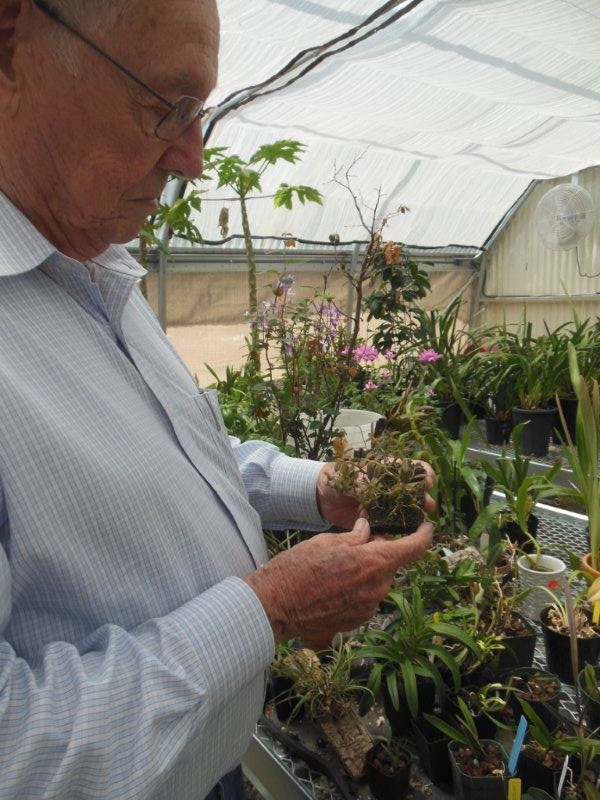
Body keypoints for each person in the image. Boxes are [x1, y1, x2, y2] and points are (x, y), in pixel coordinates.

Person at [0, 0, 435, 798]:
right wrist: (267, 610)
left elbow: (178, 455)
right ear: (11, 46)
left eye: (199, 113)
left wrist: (319, 487)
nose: (193, 158)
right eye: (165, 106)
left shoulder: (101, 270)